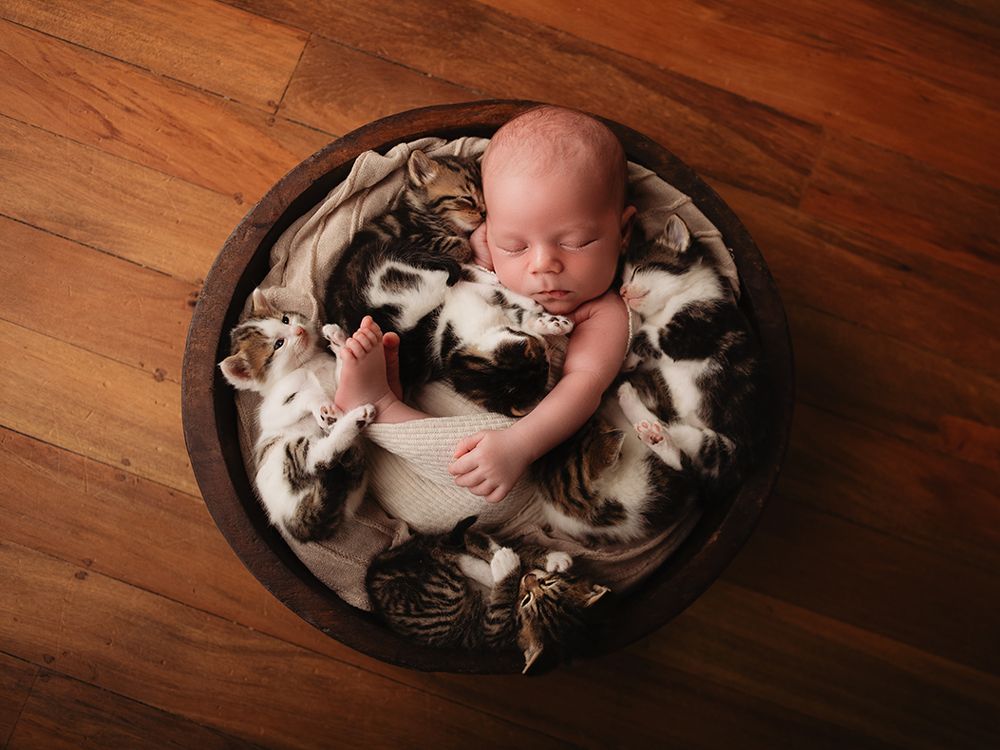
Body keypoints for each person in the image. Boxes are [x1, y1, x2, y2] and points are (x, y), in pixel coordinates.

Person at [333, 106, 636, 503]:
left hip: (508, 434)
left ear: (623, 232)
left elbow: (583, 387)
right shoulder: (488, 259)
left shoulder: (603, 312)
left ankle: (383, 405)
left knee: (483, 480)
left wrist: (520, 446)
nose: (542, 264)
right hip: (432, 389)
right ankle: (385, 397)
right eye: (514, 245)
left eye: (576, 242)